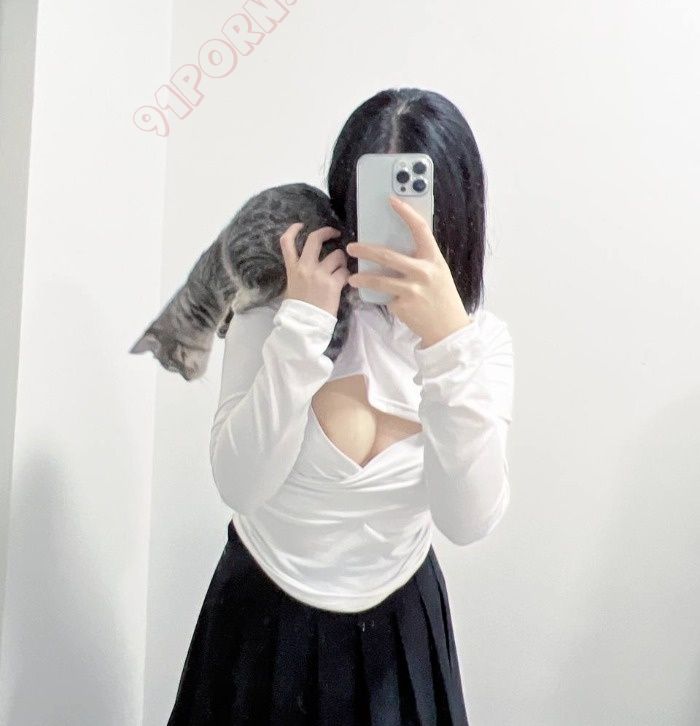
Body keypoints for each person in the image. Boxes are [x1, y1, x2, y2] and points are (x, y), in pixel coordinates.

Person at [166, 87, 515, 726]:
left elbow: (467, 520)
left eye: (417, 207)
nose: (397, 231)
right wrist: (301, 327)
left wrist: (446, 347)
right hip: (260, 624)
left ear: (456, 214)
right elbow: (240, 486)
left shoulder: (477, 345)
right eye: (377, 207)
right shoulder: (283, 308)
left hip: (401, 634)